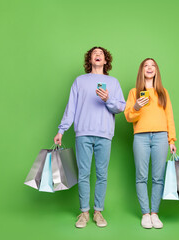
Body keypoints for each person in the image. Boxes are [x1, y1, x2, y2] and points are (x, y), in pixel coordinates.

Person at [54, 46, 126, 228]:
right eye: (95, 53)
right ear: (90, 60)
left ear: (106, 60)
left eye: (101, 53)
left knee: (102, 175)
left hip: (104, 134)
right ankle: (84, 213)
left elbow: (120, 107)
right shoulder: (79, 81)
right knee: (84, 174)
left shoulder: (113, 82)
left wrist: (108, 99)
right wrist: (61, 130)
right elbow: (71, 108)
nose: (98, 54)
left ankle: (98, 212)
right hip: (83, 133)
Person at [124, 58, 176, 229]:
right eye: (146, 65)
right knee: (141, 177)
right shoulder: (134, 92)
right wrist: (137, 106)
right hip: (141, 137)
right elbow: (128, 117)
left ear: (156, 71)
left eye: (152, 65)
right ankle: (145, 214)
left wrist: (172, 140)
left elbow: (169, 117)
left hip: (161, 136)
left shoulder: (163, 92)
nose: (149, 68)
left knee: (158, 178)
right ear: (141, 70)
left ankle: (155, 213)